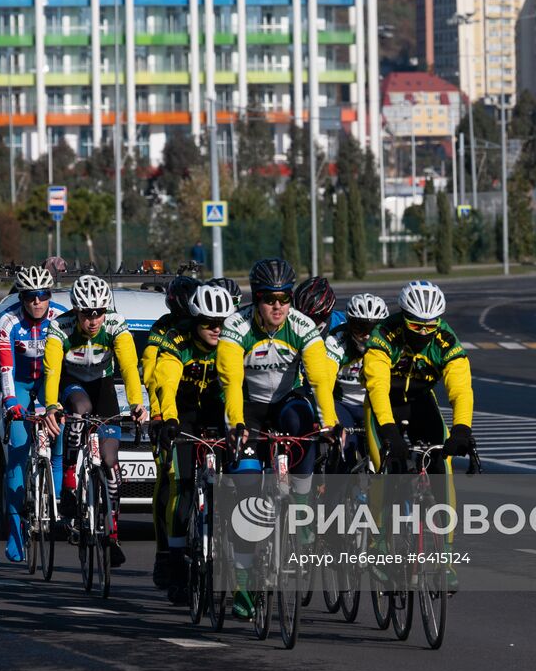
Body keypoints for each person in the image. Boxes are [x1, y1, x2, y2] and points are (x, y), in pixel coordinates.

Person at [217, 258, 338, 616]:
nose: (278, 306)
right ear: (256, 299)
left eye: (285, 298)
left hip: (286, 402)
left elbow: (319, 379)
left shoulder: (300, 326)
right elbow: (231, 382)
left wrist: (329, 422)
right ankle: (243, 583)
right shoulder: (236, 326)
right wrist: (237, 423)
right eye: (270, 299)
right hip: (248, 407)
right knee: (248, 492)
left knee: (307, 423)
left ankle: (300, 504)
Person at [43, 274, 148, 568]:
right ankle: (68, 481)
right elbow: (51, 371)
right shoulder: (59, 327)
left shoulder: (115, 325)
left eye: (99, 312)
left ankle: (111, 533)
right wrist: (51, 405)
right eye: (87, 313)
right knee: (80, 407)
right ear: (76, 311)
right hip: (71, 384)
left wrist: (137, 404)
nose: (93, 320)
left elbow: (128, 367)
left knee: (111, 462)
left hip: (103, 387)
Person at [149, 283, 236, 605]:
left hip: (218, 411)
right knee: (183, 486)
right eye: (208, 323)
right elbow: (166, 383)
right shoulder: (178, 340)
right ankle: (175, 563)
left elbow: (235, 385)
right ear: (195, 321)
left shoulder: (231, 342)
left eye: (222, 322)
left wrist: (236, 424)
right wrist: (167, 419)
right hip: (183, 414)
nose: (216, 329)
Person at [362, 280, 475, 475]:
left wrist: (462, 429)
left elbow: (461, 389)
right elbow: (378, 386)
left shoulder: (446, 340)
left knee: (442, 467)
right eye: (415, 326)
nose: (423, 332)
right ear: (404, 317)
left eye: (430, 327)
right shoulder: (384, 333)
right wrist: (389, 429)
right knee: (387, 468)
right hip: (385, 403)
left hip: (420, 400)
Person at [0, 265, 63, 563]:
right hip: (20, 383)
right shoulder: (7, 321)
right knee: (19, 451)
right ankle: (14, 530)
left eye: (43, 295)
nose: (37, 302)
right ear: (21, 297)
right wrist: (11, 402)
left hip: (49, 382)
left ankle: (54, 504)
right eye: (30, 296)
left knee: (60, 441)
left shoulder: (60, 317)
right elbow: (6, 367)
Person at [142, 274, 200, 590]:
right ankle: (165, 553)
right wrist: (159, 415)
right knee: (169, 481)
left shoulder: (206, 329)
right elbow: (153, 376)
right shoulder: (162, 330)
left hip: (200, 412)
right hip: (168, 411)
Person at [323, 292, 390, 470]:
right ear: (349, 325)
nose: (366, 336)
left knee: (385, 454)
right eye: (360, 328)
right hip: (342, 404)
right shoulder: (336, 340)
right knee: (345, 453)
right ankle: (333, 495)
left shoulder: (389, 341)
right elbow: (325, 380)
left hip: (373, 403)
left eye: (372, 329)